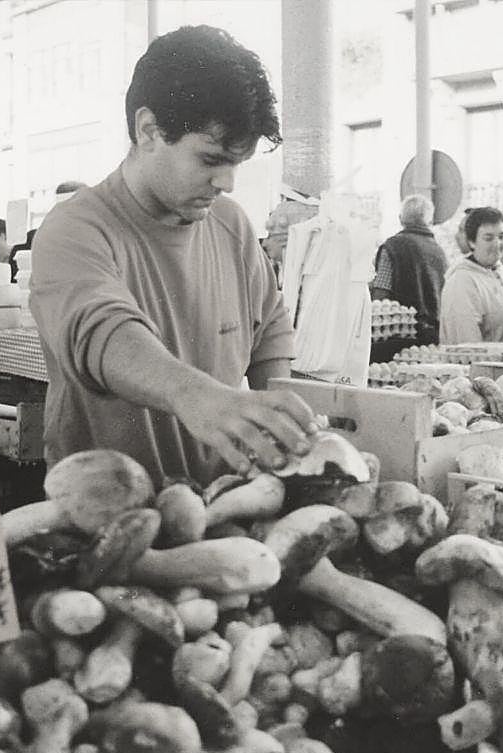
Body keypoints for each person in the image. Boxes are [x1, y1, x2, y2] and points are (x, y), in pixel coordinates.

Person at [28, 25, 315, 485]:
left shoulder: (231, 224)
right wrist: (194, 395)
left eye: (237, 163)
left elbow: (270, 337)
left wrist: (284, 442)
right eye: (210, 159)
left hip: (224, 511)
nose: (227, 182)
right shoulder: (74, 229)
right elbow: (101, 330)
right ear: (147, 130)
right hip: (106, 518)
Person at [371, 194, 449, 344]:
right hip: (434, 334)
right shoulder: (439, 252)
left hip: (400, 335)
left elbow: (381, 295)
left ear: (401, 218)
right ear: (430, 221)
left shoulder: (393, 247)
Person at [439, 206, 503, 344]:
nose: (497, 244)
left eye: (501, 236)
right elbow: (467, 346)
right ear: (472, 242)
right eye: (488, 238)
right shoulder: (462, 281)